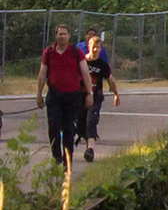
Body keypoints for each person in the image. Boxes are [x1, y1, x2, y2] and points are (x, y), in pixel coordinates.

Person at [37, 24, 91, 166]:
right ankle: (57, 156)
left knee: (69, 128)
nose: (62, 36)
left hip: (72, 95)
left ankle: (68, 157)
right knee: (53, 126)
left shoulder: (76, 51)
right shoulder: (49, 52)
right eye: (59, 34)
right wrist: (39, 93)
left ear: (69, 36)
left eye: (64, 34)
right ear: (56, 36)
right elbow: (42, 73)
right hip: (54, 94)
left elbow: (85, 72)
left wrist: (89, 93)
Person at [79, 32, 120, 162]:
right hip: (80, 97)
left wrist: (116, 94)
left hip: (95, 97)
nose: (95, 49)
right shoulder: (81, 62)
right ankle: (87, 147)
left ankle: (90, 150)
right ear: (88, 46)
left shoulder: (102, 65)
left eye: (98, 47)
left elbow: (110, 80)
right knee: (81, 124)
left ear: (101, 49)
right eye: (93, 46)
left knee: (91, 121)